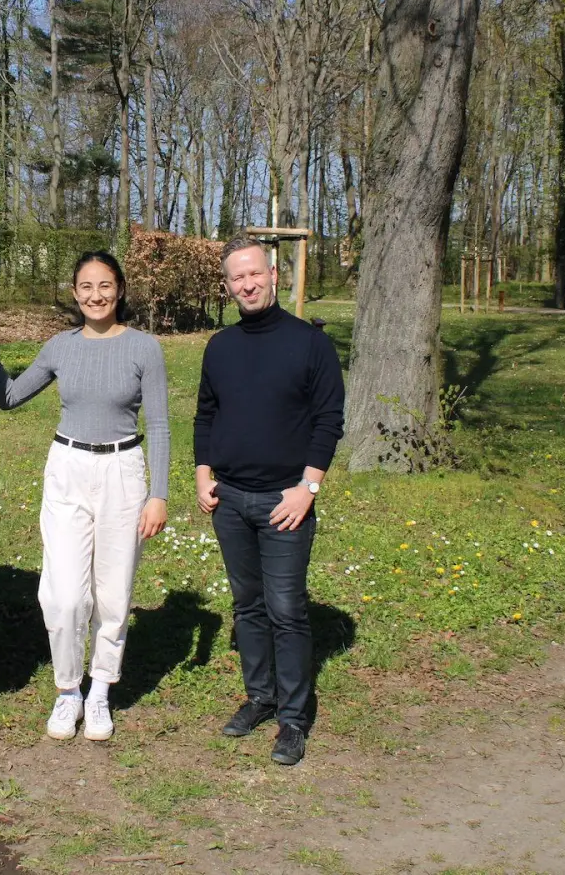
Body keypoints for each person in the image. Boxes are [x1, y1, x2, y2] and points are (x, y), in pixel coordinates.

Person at [0, 251, 170, 742]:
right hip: (68, 469)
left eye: (106, 285)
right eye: (87, 286)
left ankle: (99, 692)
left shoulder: (144, 348)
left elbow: (157, 422)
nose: (96, 295)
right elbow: (8, 397)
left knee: (113, 593)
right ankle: (67, 689)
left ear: (120, 290)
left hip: (123, 471)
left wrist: (159, 493)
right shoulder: (59, 347)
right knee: (65, 594)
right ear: (75, 293)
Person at [194, 236, 344, 766]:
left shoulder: (310, 344)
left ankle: (294, 718)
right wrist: (202, 472)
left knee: (286, 608)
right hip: (230, 499)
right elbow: (206, 414)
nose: (247, 284)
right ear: (228, 285)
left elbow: (329, 421)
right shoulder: (221, 346)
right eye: (237, 278)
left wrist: (308, 488)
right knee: (247, 605)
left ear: (274, 274)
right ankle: (260, 696)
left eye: (254, 274)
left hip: (286, 500)